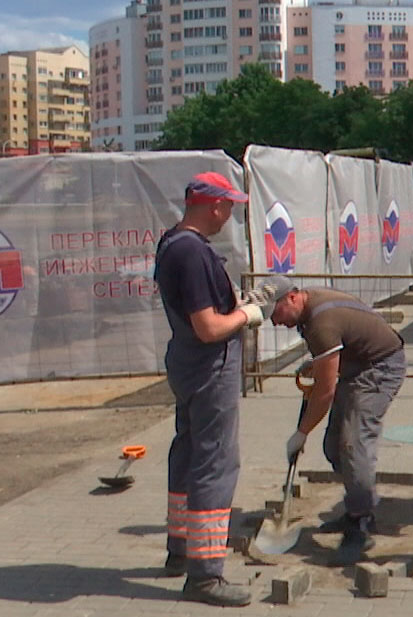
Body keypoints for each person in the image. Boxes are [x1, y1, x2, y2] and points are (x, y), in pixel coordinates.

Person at [153, 171, 264, 608]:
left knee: (187, 452)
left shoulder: (171, 242)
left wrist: (234, 301)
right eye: (229, 207)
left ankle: (180, 550)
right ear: (214, 206)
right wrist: (248, 315)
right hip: (208, 367)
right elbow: (208, 327)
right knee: (215, 464)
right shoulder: (193, 253)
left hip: (184, 363)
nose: (231, 215)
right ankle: (205, 575)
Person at [259, 274, 406, 565]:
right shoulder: (310, 305)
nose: (274, 322)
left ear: (291, 297)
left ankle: (361, 522)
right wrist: (320, 363)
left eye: (275, 313)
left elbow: (324, 392)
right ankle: (360, 500)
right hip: (357, 366)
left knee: (353, 445)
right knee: (333, 447)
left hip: (380, 368)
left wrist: (301, 433)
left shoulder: (321, 323)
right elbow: (338, 351)